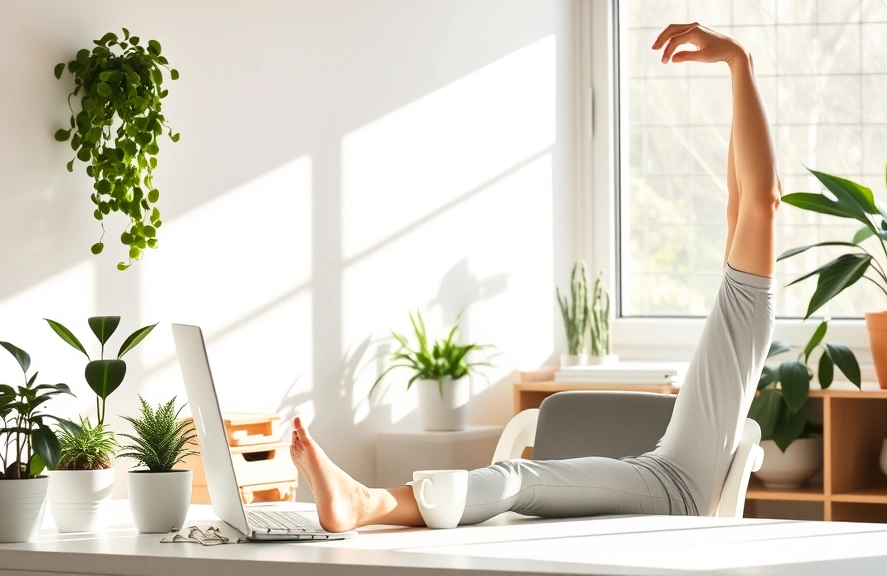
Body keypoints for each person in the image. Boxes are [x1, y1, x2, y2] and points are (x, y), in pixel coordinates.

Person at [289, 23, 780, 532]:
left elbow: (764, 198)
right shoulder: (741, 294)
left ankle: (366, 503)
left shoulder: (748, 303)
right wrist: (731, 78)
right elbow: (741, 201)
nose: (741, 219)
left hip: (673, 489)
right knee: (522, 482)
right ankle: (367, 502)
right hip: (658, 474)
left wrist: (740, 62)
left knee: (522, 479)